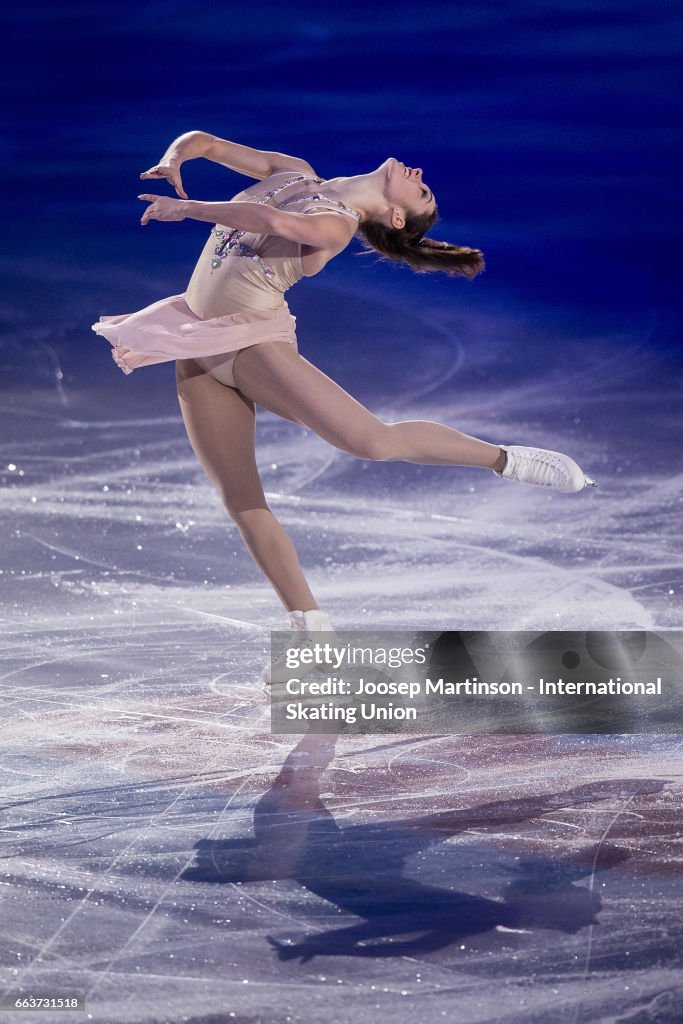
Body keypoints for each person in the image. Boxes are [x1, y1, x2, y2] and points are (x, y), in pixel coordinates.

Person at [92, 131, 597, 677]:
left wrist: (189, 209)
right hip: (193, 342)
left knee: (372, 441)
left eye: (423, 194)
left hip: (250, 343)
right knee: (241, 498)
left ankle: (508, 459)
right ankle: (312, 632)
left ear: (397, 219)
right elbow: (205, 144)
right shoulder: (294, 171)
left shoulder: (338, 223)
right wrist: (173, 160)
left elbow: (280, 225)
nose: (420, 174)